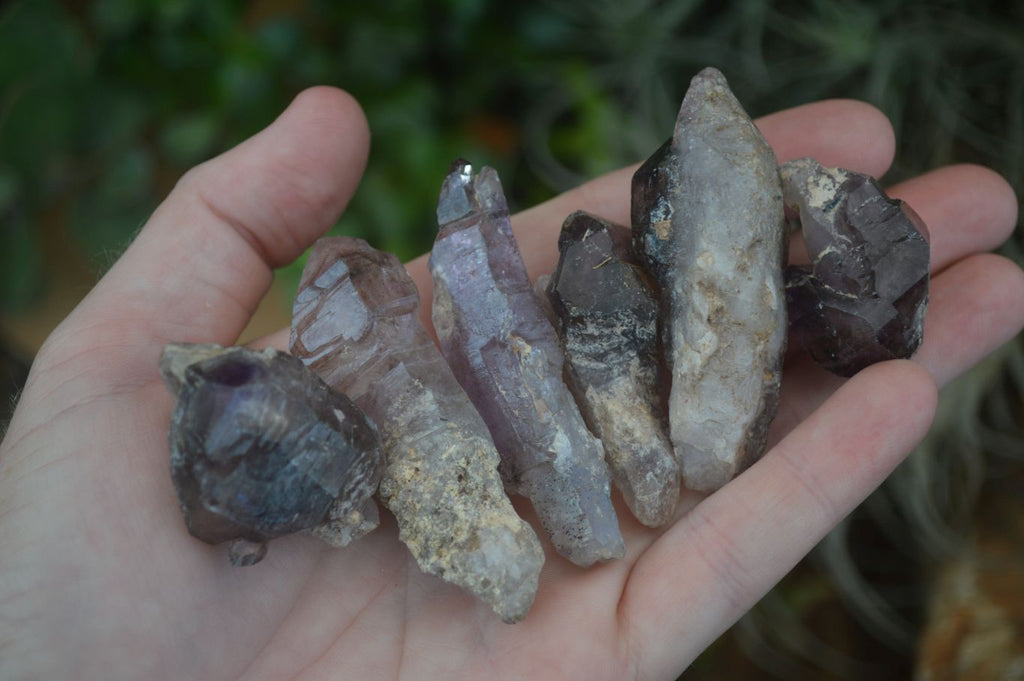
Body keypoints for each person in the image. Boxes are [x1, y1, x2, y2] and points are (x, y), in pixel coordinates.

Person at [0, 86, 1021, 681]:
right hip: (441, 442)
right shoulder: (435, 296)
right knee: (547, 424)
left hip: (541, 397)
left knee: (599, 430)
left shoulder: (482, 276)